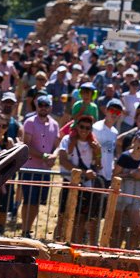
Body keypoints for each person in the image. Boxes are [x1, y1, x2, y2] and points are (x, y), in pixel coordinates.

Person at [55, 114, 102, 243]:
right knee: (63, 215)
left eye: (88, 128)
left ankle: (75, 245)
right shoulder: (67, 140)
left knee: (79, 218)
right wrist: (83, 173)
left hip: (85, 185)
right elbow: (63, 160)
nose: (84, 130)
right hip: (69, 182)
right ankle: (55, 244)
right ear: (77, 127)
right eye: (82, 127)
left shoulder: (93, 144)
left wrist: (98, 153)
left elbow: (98, 166)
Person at [110, 129, 140, 250]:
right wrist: (131, 173)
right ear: (134, 141)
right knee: (117, 228)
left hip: (134, 199)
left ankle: (129, 252)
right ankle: (110, 253)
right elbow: (115, 175)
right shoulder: (125, 156)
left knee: (138, 228)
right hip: (120, 195)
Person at [20, 94, 60, 238]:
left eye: (46, 105)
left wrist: (54, 156)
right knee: (28, 201)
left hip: (45, 170)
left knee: (37, 202)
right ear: (36, 106)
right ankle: (24, 230)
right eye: (40, 105)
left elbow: (56, 146)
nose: (43, 108)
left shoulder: (55, 124)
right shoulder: (30, 122)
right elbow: (27, 145)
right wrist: (44, 156)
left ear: (50, 107)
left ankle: (27, 230)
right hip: (30, 168)